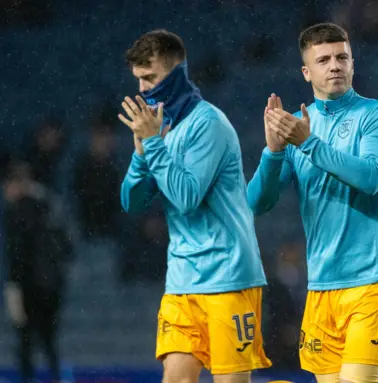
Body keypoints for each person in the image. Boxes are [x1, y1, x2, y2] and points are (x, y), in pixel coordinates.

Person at [247, 23, 378, 383]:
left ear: (353, 64)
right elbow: (256, 203)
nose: (334, 65)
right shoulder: (296, 129)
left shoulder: (377, 115)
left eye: (341, 57)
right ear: (307, 72)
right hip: (322, 286)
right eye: (323, 59)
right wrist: (274, 153)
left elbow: (369, 177)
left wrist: (308, 144)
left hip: (373, 277)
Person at [118, 29, 270, 383]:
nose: (143, 90)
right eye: (139, 80)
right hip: (182, 280)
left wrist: (154, 145)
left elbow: (186, 198)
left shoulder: (209, 125)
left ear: (175, 73)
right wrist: (141, 156)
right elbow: (132, 202)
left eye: (151, 78)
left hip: (228, 277)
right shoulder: (160, 128)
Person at [3, 159, 72, 383]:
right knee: (47, 340)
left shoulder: (20, 211)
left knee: (26, 339)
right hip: (50, 285)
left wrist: (14, 285)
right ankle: (54, 377)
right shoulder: (46, 205)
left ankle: (30, 379)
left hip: (31, 285)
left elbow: (19, 253)